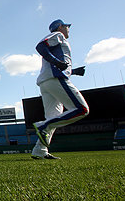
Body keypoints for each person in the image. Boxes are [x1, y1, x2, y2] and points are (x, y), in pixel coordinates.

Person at [31, 19, 89, 160]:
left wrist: (74, 71)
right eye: (67, 26)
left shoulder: (58, 40)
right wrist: (58, 63)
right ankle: (42, 126)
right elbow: (40, 47)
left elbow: (58, 64)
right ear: (60, 26)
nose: (68, 29)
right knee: (82, 109)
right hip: (55, 79)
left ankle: (40, 151)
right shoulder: (58, 35)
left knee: (54, 117)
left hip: (47, 81)